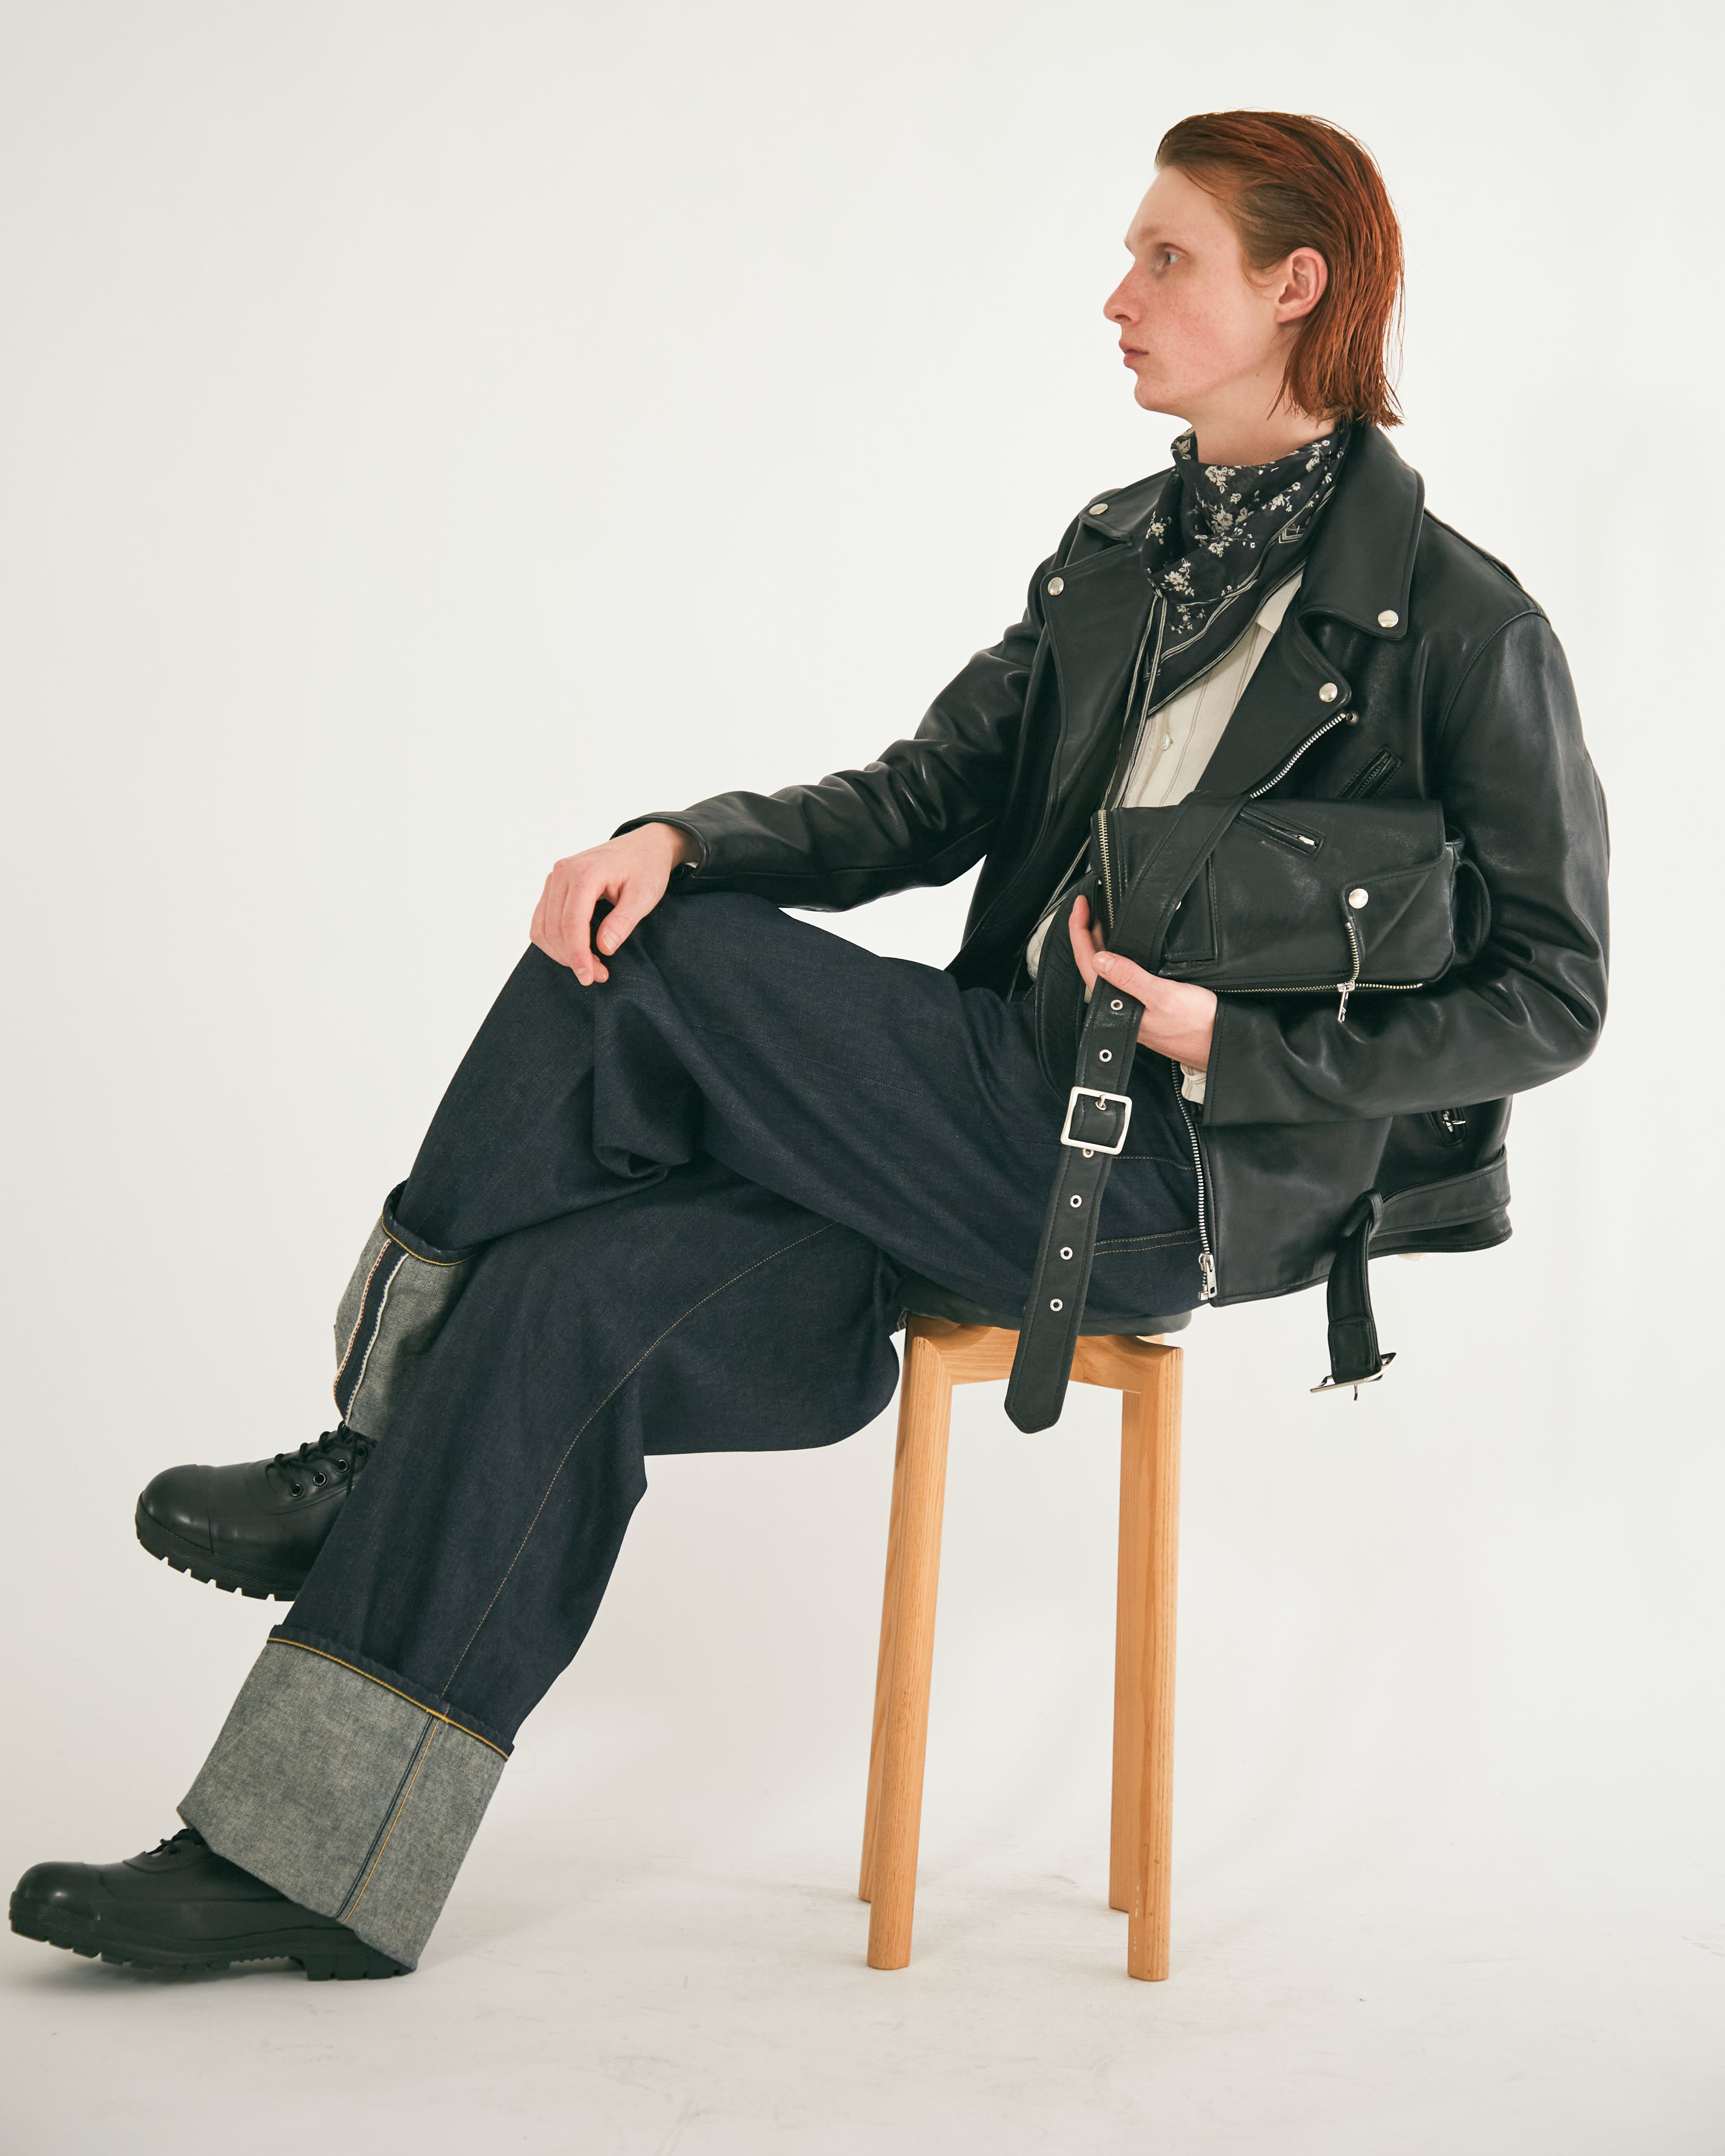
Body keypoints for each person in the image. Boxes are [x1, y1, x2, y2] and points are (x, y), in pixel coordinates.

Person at [9, 110, 1608, 1981]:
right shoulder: (1121, 554)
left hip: (1158, 1179)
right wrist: (684, 837)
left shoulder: (1463, 628)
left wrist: (1225, 1042)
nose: (1118, 296)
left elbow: (1554, 992)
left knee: (660, 968)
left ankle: (371, 1438)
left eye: (1165, 257)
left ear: (1294, 286)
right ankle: (306, 1871)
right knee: (561, 1299)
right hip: (972, 1115)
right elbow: (920, 801)